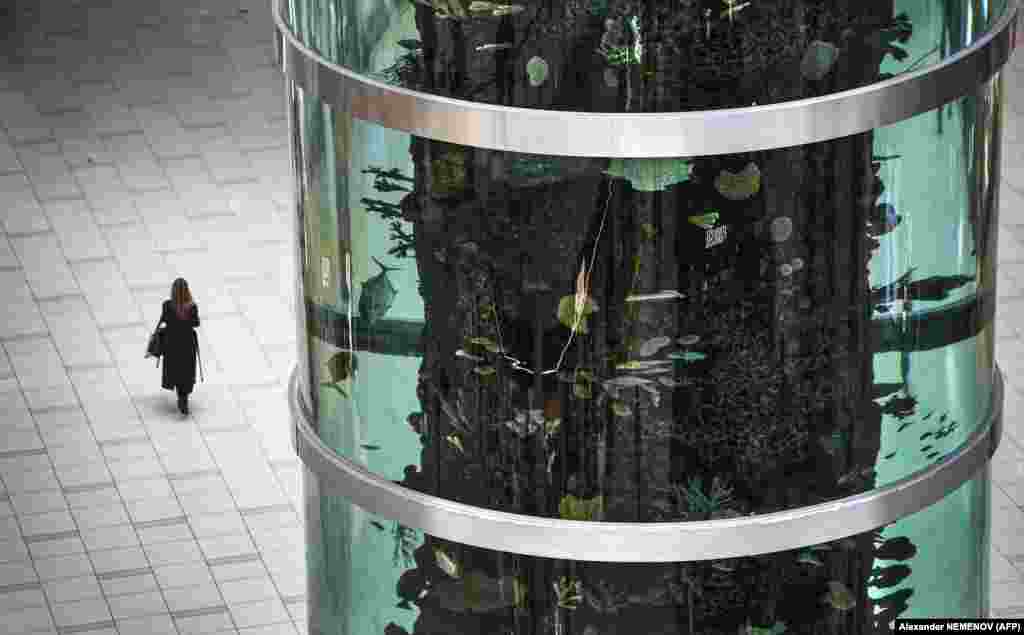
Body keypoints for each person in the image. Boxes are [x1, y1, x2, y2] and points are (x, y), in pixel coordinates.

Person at [159, 278, 200, 415]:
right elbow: (196, 323)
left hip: (172, 343)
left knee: (175, 369)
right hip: (187, 343)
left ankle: (181, 397)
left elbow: (164, 319)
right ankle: (184, 398)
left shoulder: (167, 305)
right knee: (186, 370)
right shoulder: (192, 307)